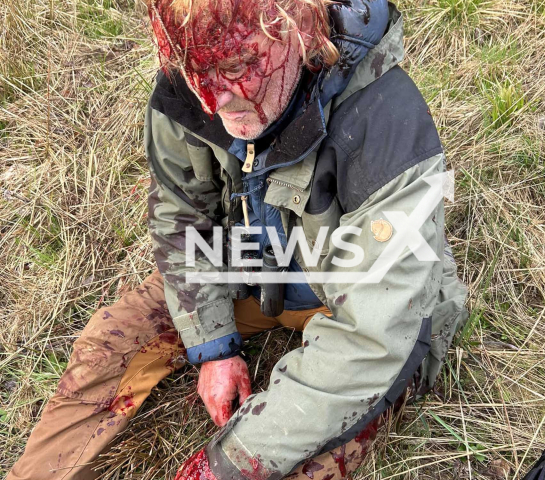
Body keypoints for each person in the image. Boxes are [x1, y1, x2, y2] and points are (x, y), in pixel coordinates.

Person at [8, 0, 468, 478]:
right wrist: (213, 344)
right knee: (107, 349)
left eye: (238, 67)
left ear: (301, 30)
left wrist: (227, 463)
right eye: (194, 71)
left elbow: (376, 337)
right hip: (247, 265)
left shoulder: (385, 117)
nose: (214, 101)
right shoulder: (191, 72)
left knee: (299, 462)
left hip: (360, 299)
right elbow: (181, 215)